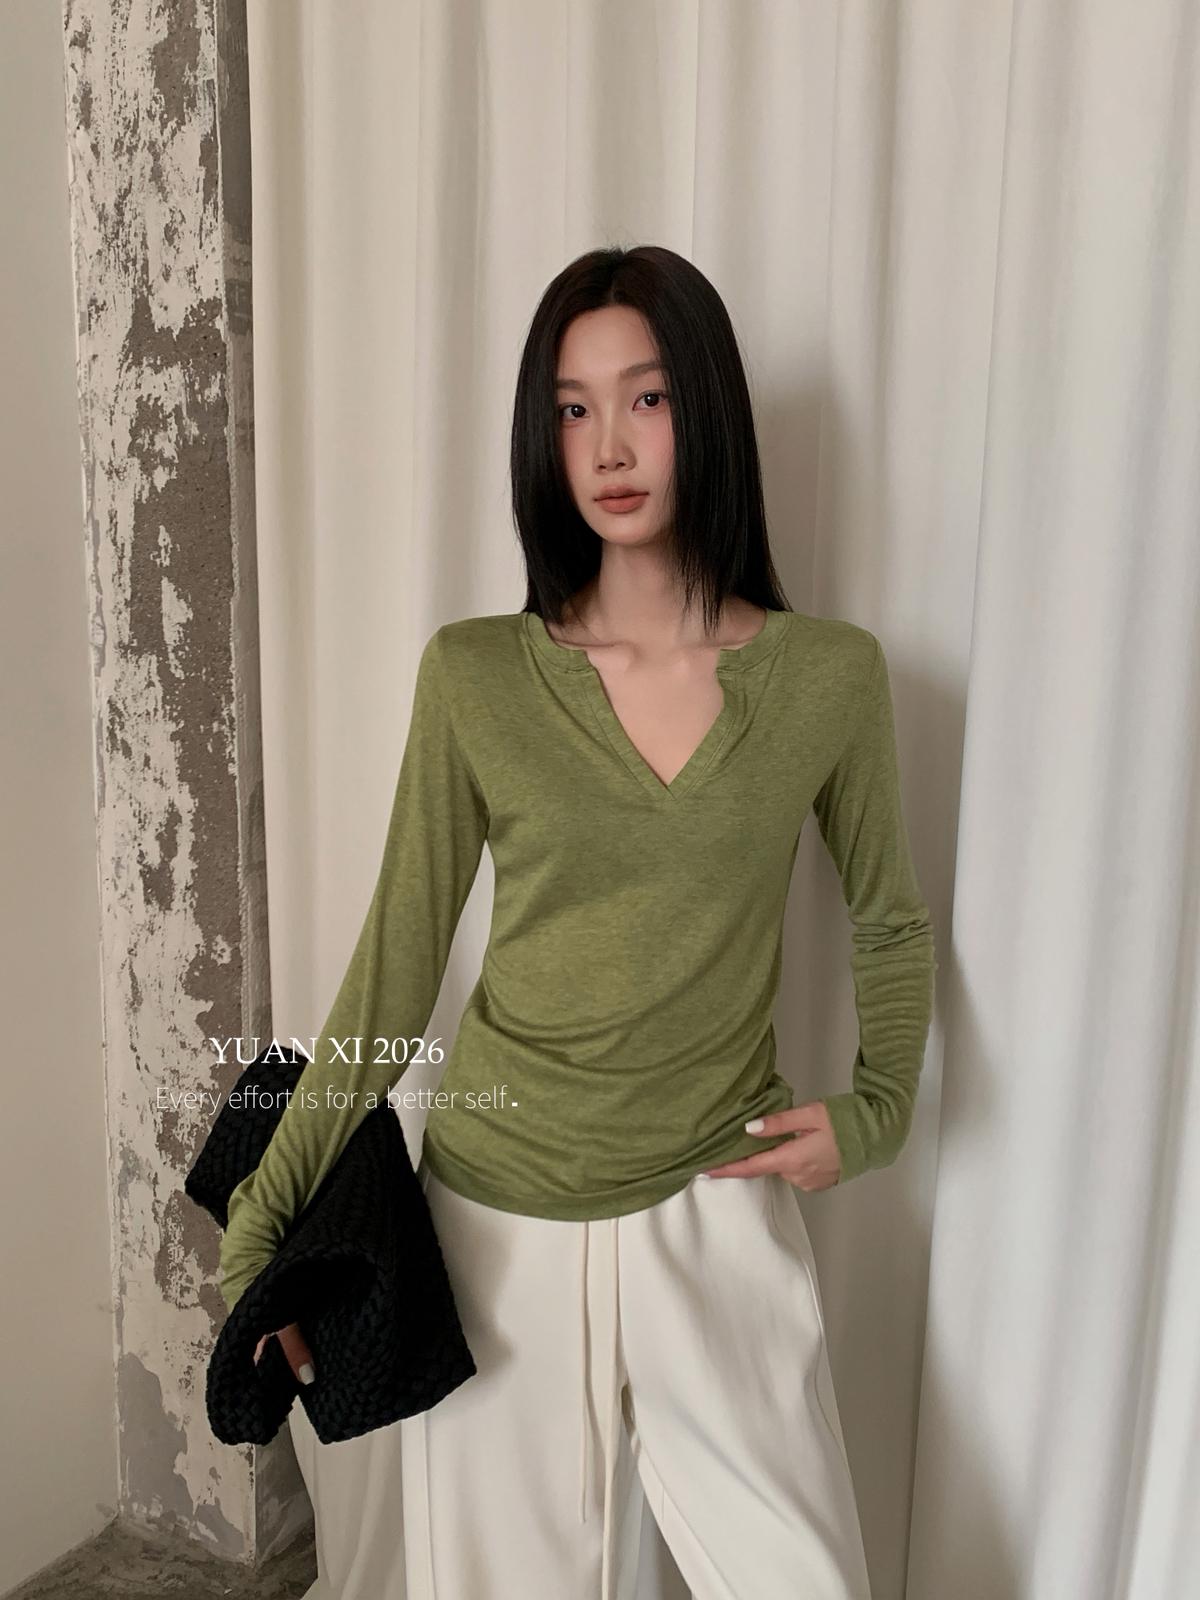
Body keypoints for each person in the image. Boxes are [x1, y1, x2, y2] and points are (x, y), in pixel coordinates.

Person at [219, 245, 937, 1600]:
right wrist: (263, 1217)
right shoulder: (476, 677)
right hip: (500, 1219)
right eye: (571, 407)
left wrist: (879, 1111)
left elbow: (889, 921)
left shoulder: (829, 679)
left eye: (646, 398)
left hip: (718, 1204)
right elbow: (394, 974)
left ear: (705, 410)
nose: (608, 445)